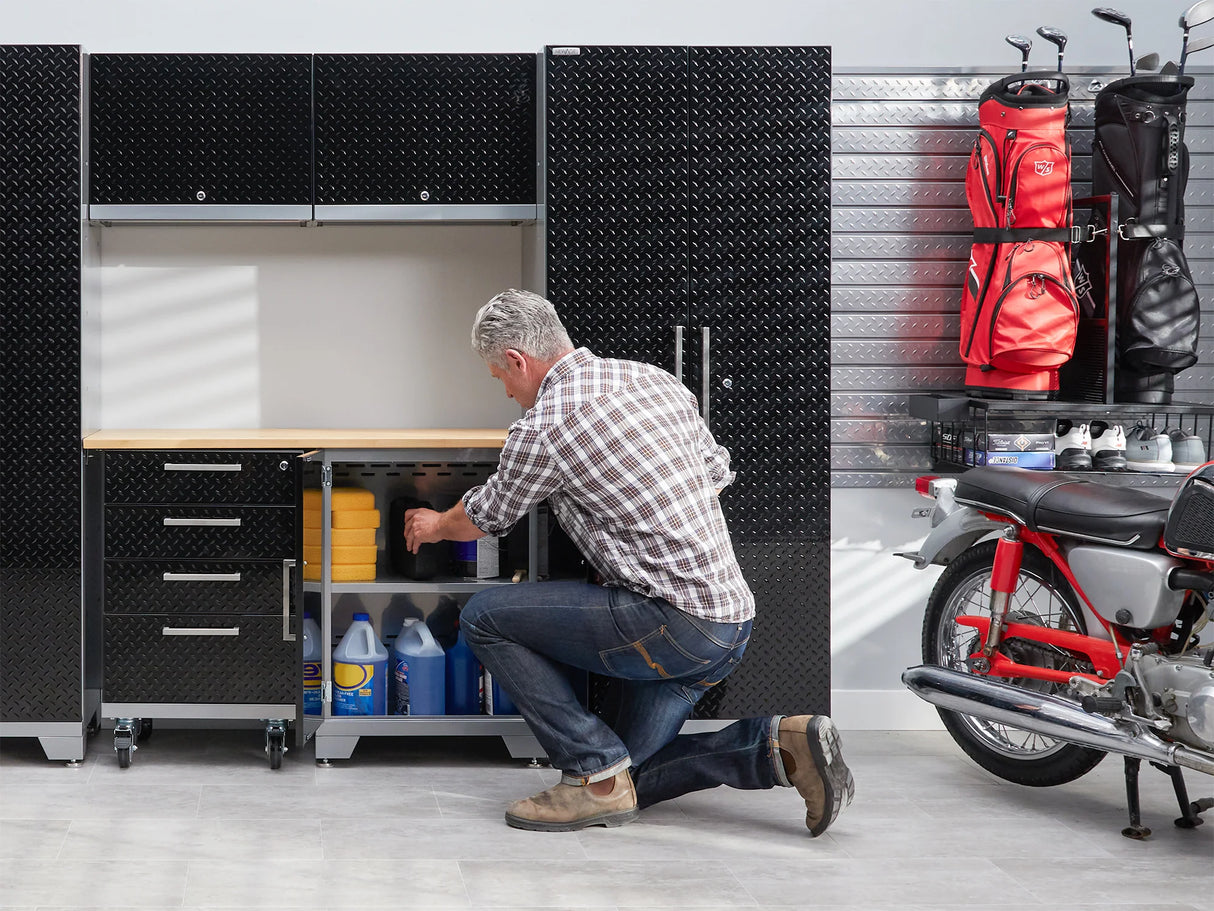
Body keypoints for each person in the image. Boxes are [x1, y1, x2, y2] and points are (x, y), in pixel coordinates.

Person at [404, 289, 853, 834]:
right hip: (730, 620)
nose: (505, 390)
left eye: (500, 376)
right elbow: (715, 474)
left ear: (518, 360)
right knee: (624, 781)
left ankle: (591, 766)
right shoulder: (653, 380)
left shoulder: (546, 423)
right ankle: (779, 746)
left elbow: (487, 516)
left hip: (671, 625)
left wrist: (434, 524)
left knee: (483, 617)